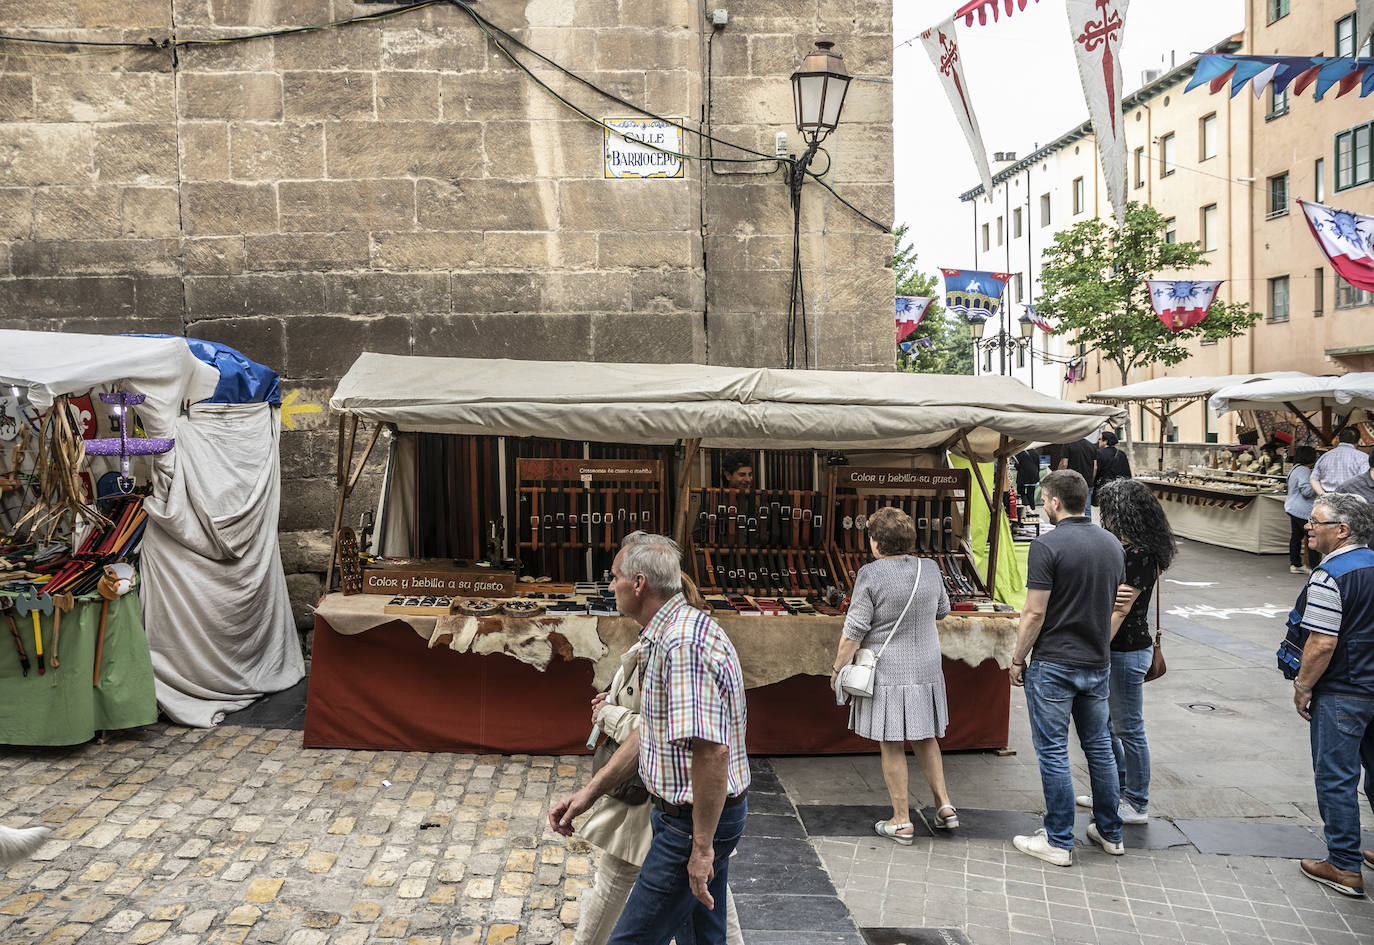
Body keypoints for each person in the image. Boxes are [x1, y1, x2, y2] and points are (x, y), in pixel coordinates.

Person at [553, 533, 749, 945]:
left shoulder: (681, 644)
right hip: (679, 818)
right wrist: (589, 793)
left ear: (638, 583)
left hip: (687, 824)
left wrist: (700, 848)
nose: (610, 587)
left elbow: (712, 752)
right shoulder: (666, 635)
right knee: (704, 937)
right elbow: (650, 736)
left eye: (615, 577)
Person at [1009, 470, 1127, 866]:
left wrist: (1017, 657)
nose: (1043, 505)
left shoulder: (1048, 545)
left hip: (1055, 661)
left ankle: (1059, 840)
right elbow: (1115, 603)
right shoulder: (1112, 543)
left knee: (1053, 751)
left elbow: (1034, 611)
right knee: (1100, 749)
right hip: (1096, 660)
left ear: (1055, 502)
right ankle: (1110, 832)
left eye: (1044, 499)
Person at [830, 506, 956, 844]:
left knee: (892, 743)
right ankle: (944, 805)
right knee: (925, 736)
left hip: (888, 671)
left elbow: (854, 629)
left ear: (875, 542)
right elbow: (943, 610)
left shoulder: (870, 575)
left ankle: (901, 820)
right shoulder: (929, 568)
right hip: (927, 666)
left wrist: (838, 667)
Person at [1074, 479, 1176, 827]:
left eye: (1109, 510)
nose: (1103, 517)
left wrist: (1095, 648)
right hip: (1119, 647)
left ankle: (1136, 800)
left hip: (1125, 649)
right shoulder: (1129, 549)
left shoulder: (1140, 554)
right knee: (1106, 724)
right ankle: (1113, 790)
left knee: (1128, 727)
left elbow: (1120, 609)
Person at [1288, 492, 1374, 897]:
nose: (1308, 526)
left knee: (1337, 779)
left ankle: (1343, 865)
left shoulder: (1330, 575)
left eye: (1316, 522)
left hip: (1344, 690)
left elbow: (1322, 642)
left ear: (1342, 530)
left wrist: (1303, 685)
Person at [1286, 445, 1321, 573]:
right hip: (1301, 510)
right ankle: (1314, 567)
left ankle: (1295, 564)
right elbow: (1306, 491)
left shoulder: (1295, 468)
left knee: (1296, 537)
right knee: (1312, 536)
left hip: (1292, 507)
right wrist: (1317, 484)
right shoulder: (1304, 470)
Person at [1310, 428, 1367, 496]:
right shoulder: (1363, 458)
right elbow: (1365, 482)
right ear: (1358, 441)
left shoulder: (1325, 456)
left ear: (1338, 439)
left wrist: (1323, 495)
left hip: (1328, 501)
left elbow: (1313, 479)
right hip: (1351, 501)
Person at [1059, 436, 1098, 515]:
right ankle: (1087, 526)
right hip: (1087, 482)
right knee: (1086, 509)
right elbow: (1095, 467)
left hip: (1072, 481)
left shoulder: (1068, 444)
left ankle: (1072, 526)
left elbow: (1064, 464)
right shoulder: (1091, 446)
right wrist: (1091, 479)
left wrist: (1059, 475)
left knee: (1071, 507)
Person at [1014, 447, 1041, 512]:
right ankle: (1032, 509)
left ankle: (1026, 506)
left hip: (1023, 474)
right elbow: (1038, 465)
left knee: (1021, 492)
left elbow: (1017, 465)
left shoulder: (1020, 452)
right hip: (1034, 474)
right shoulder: (1035, 452)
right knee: (1031, 493)